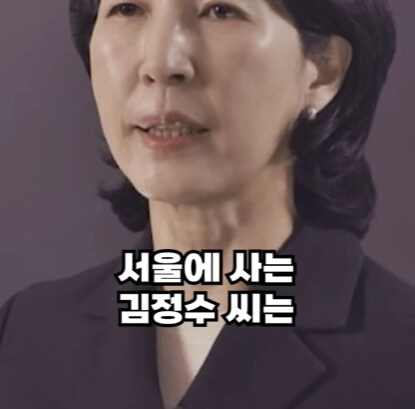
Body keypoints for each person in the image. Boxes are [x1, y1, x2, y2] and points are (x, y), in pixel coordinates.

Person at [0, 0, 414, 408]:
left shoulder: (401, 353)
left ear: (323, 69)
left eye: (220, 11)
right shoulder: (26, 336)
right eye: (127, 9)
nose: (161, 63)